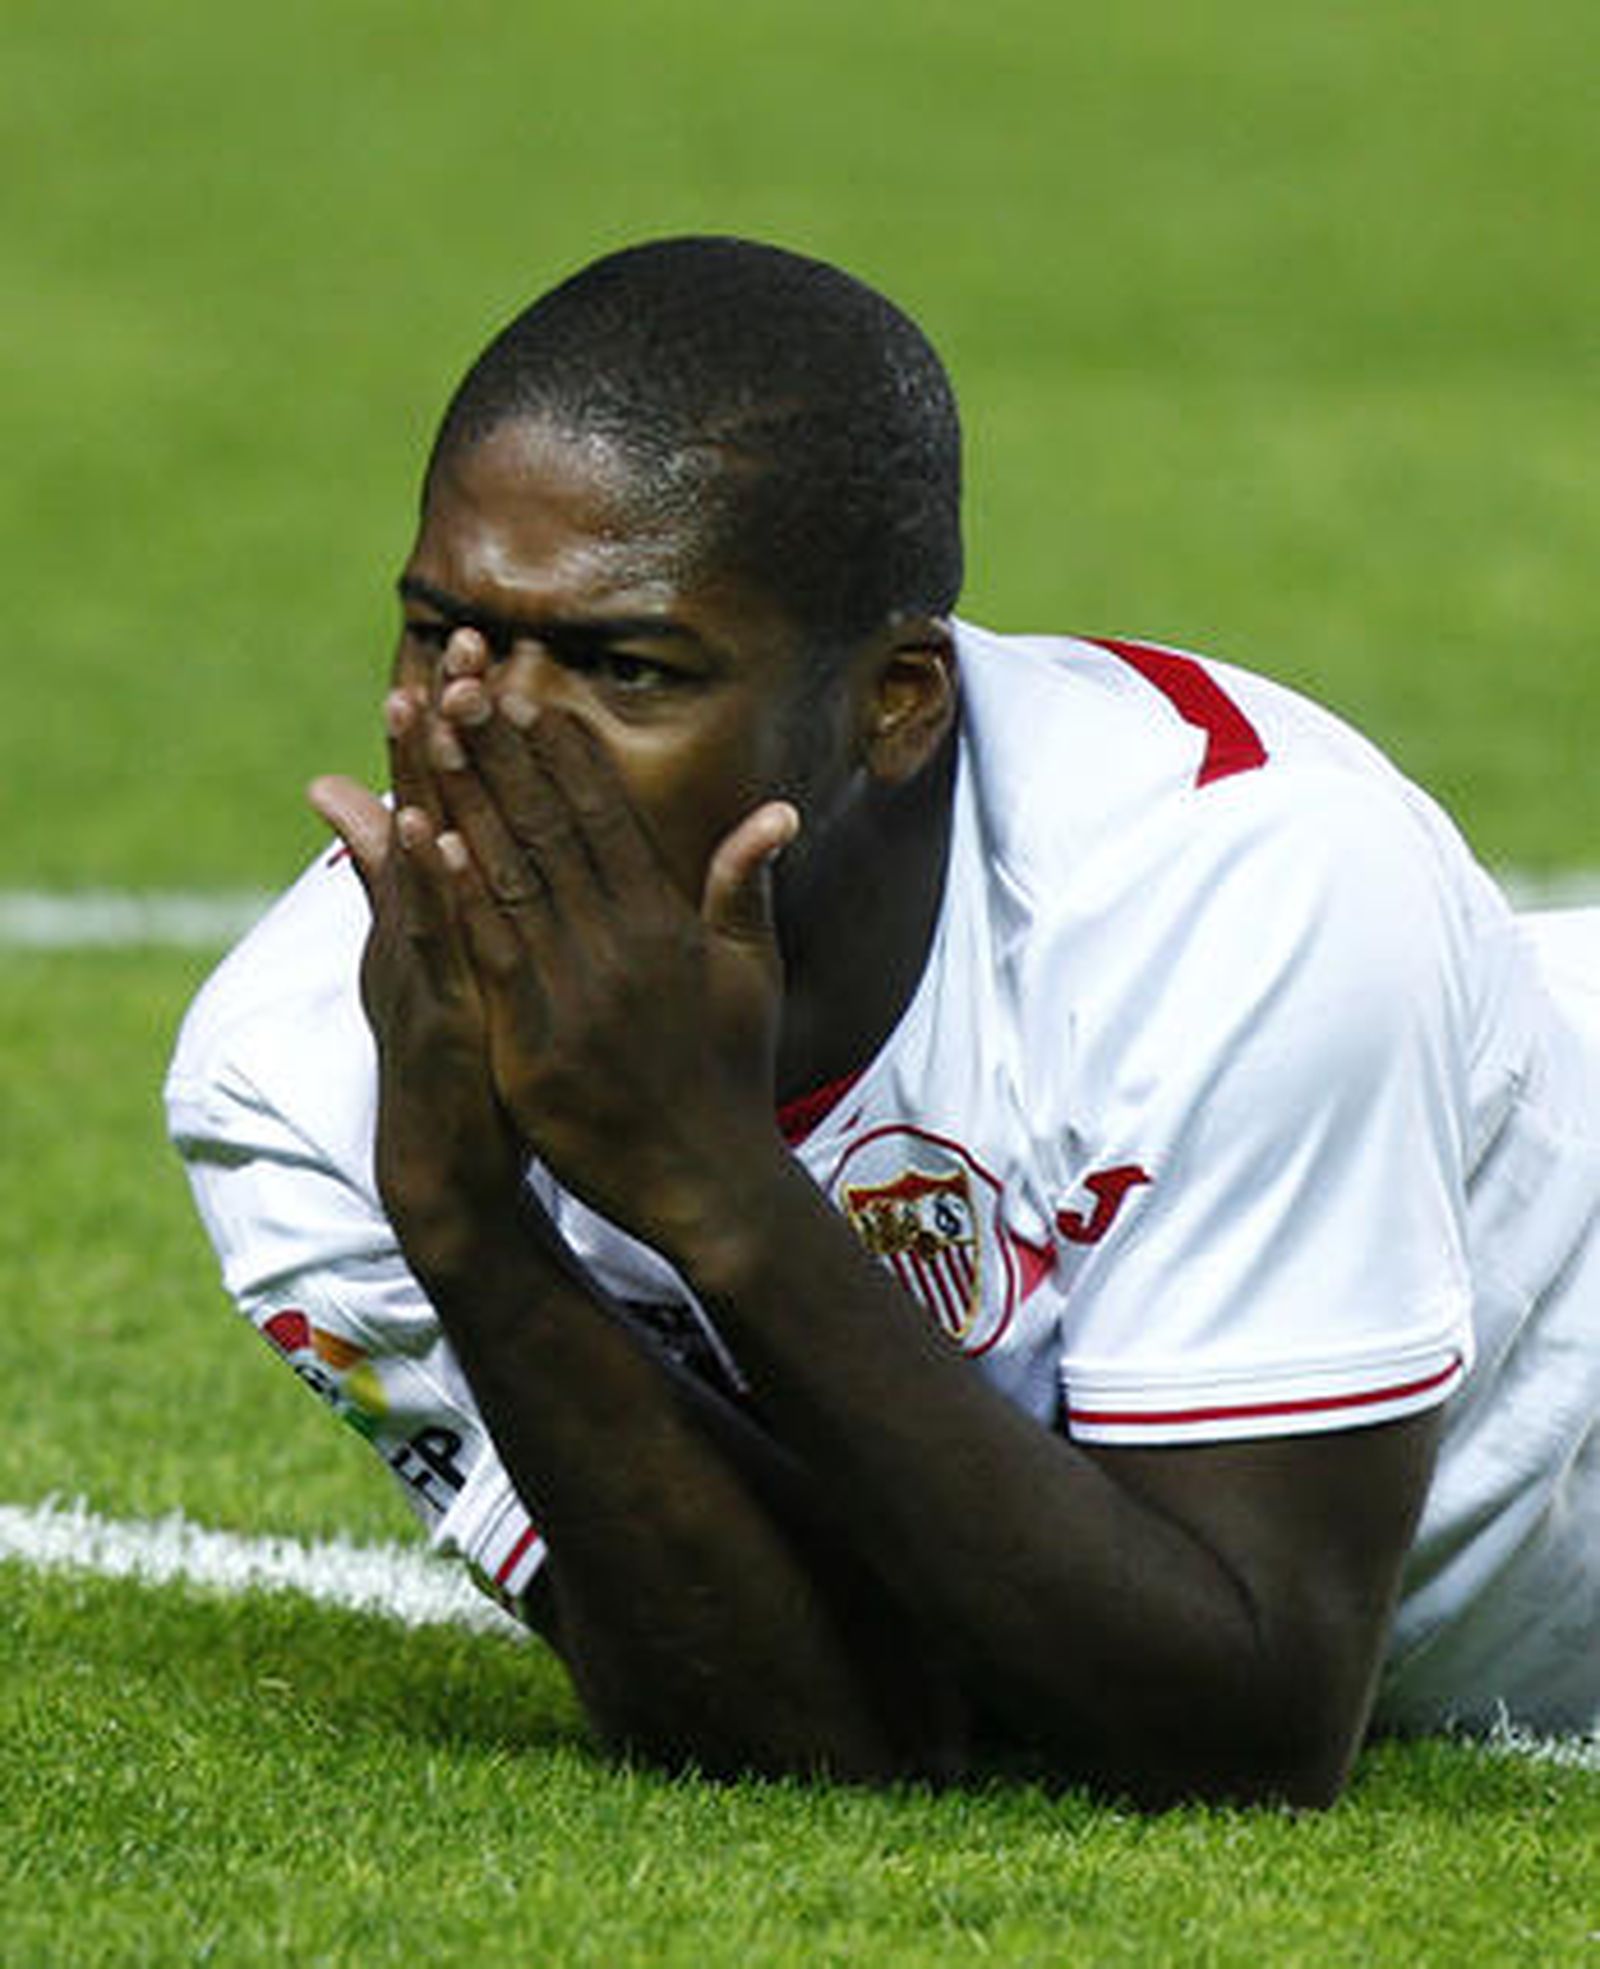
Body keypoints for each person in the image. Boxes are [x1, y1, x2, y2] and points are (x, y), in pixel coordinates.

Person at [166, 236, 1600, 1807]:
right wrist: (467, 1229)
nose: (486, 732)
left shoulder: (1247, 885)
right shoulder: (296, 1073)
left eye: (625, 668)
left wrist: (702, 1179)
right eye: (446, 634)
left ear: (896, 701)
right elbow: (834, 1730)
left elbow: (1243, 1728)